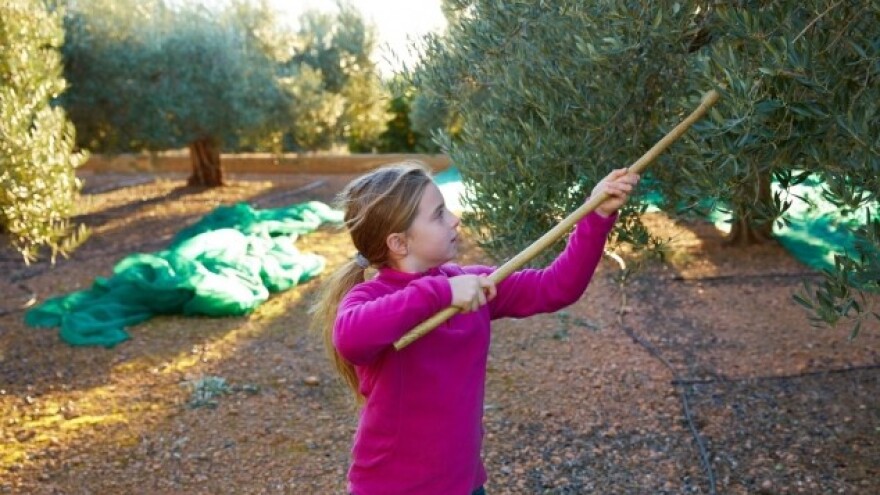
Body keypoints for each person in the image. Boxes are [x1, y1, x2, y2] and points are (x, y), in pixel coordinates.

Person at [311, 161, 639, 495]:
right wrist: (441, 293)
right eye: (439, 214)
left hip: (464, 484)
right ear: (398, 243)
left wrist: (595, 216)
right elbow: (351, 339)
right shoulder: (374, 296)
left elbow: (556, 287)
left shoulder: (468, 283)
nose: (455, 218)